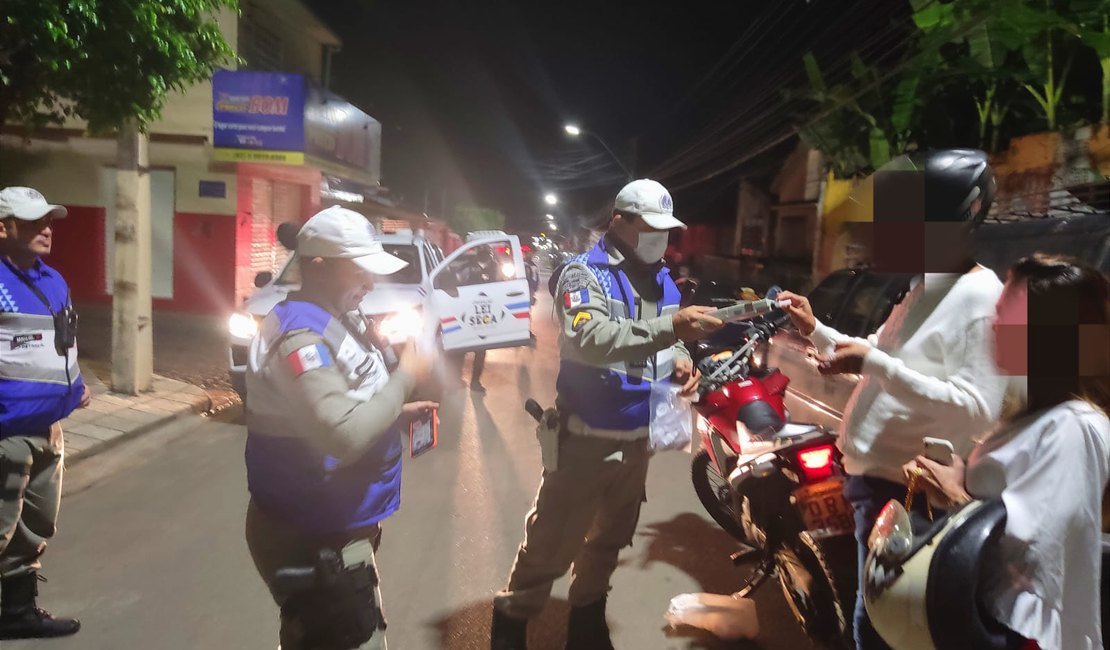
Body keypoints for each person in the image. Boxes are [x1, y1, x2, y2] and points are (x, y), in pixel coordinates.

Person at [777, 149, 1009, 650]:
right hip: (875, 491)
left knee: (881, 630)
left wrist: (875, 364)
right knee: (876, 624)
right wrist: (816, 329)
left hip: (913, 501)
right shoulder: (925, 286)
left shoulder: (981, 298)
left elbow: (977, 407)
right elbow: (878, 356)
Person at [490, 179, 725, 650]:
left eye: (665, 229)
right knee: (551, 546)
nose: (660, 238)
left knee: (608, 543)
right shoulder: (583, 275)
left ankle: (587, 625)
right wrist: (671, 327)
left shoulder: (661, 279)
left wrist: (682, 358)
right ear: (619, 221)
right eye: (650, 227)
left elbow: (667, 340)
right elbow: (591, 339)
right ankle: (512, 624)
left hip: (638, 437)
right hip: (586, 439)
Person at [243, 206, 437, 650]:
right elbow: (343, 434)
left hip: (337, 520)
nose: (371, 284)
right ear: (318, 266)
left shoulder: (336, 317)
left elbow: (345, 403)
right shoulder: (302, 337)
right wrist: (407, 376)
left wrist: (394, 412)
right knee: (340, 637)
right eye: (361, 271)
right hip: (310, 528)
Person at [906, 254, 1110, 650]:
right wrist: (962, 477)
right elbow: (1014, 504)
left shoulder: (1074, 426)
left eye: (1007, 315)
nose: (994, 325)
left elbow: (1038, 562)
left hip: (1022, 635)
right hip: (986, 620)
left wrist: (955, 496)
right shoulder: (1034, 415)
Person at [0, 186, 89, 639]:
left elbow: (60, 342)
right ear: (3, 227)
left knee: (34, 527)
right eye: (35, 222)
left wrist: (77, 386)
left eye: (48, 221)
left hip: (48, 427)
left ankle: (16, 614)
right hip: (6, 433)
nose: (47, 230)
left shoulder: (52, 279)